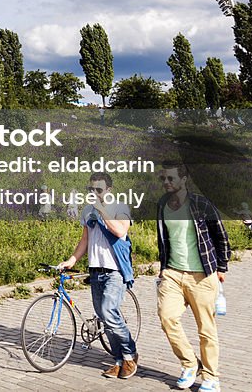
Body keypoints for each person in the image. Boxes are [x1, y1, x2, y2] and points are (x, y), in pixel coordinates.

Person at [156, 163, 230, 392]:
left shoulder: (200, 203)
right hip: (173, 273)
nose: (166, 183)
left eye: (171, 178)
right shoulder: (162, 204)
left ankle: (211, 377)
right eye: (163, 179)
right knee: (167, 318)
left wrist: (222, 267)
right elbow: (164, 239)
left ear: (184, 178)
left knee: (206, 329)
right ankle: (189, 363)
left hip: (202, 275)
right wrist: (163, 269)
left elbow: (220, 234)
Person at [56, 173, 138, 379]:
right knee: (104, 317)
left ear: (109, 190)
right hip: (96, 271)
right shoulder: (87, 211)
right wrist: (72, 260)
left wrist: (101, 210)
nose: (93, 193)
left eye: (98, 190)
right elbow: (85, 239)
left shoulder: (120, 207)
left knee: (109, 312)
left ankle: (130, 353)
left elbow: (120, 231)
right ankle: (119, 361)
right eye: (90, 189)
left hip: (115, 271)